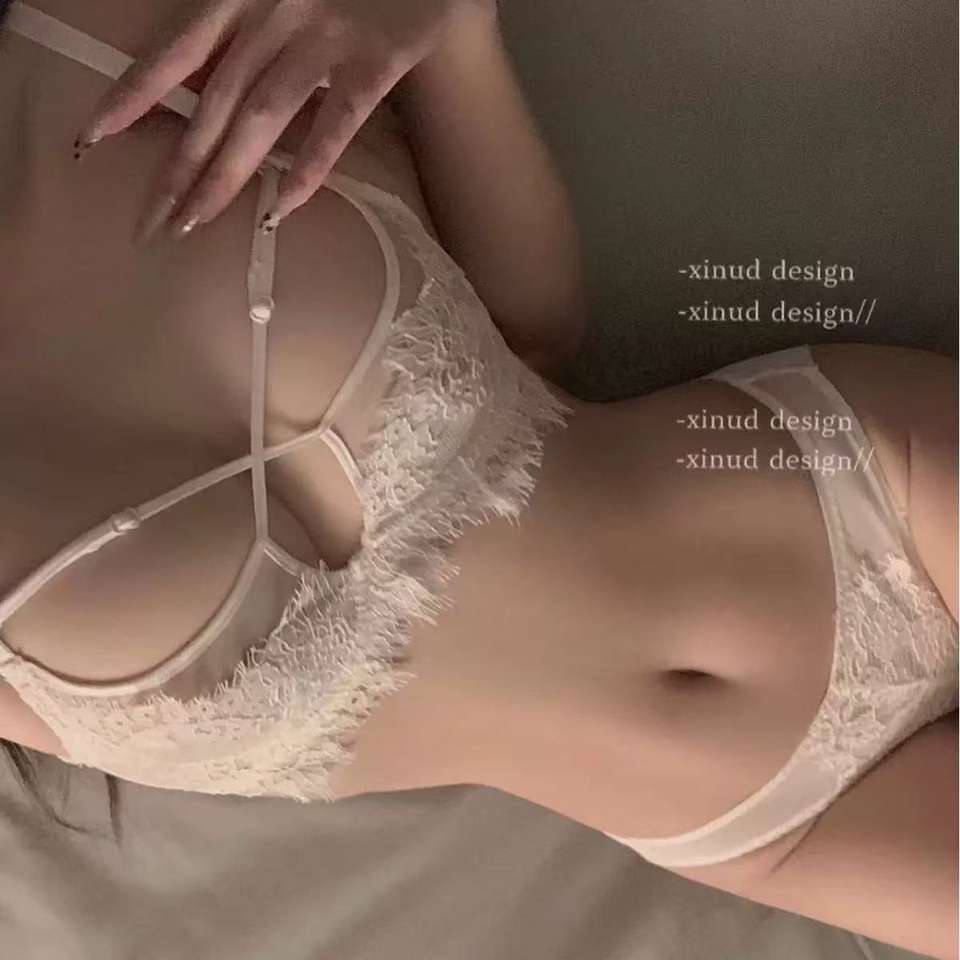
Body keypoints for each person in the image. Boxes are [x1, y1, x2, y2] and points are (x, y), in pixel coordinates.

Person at [0, 2, 956, 957]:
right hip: (756, 827)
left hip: (868, 501)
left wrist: (456, 33)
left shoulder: (118, 38)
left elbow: (531, 332)